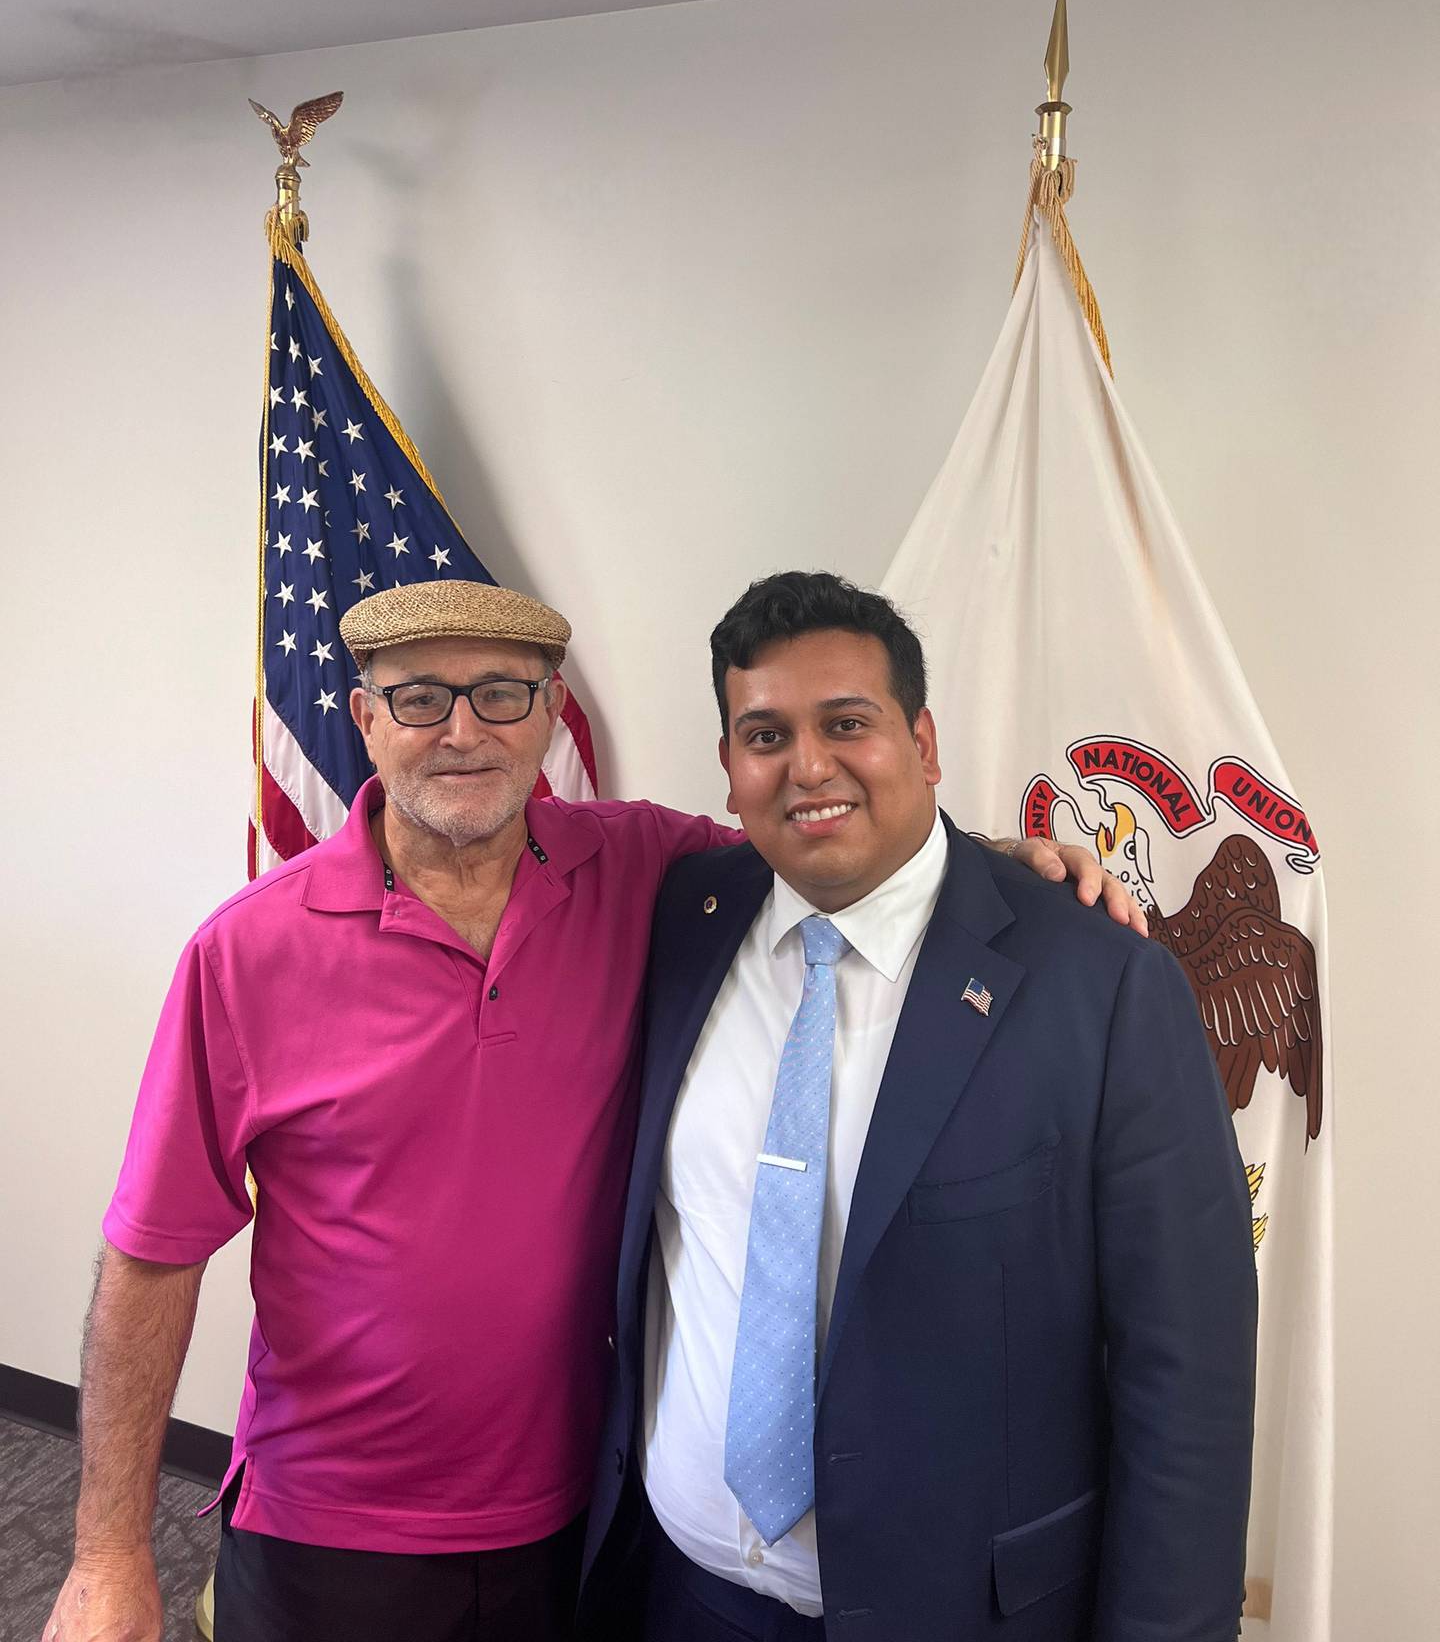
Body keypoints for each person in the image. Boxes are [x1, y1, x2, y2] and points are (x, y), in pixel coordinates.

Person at [42, 579, 1141, 1642]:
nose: (462, 730)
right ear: (367, 721)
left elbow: (831, 845)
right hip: (334, 1532)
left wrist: (994, 862)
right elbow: (152, 1256)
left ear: (547, 716)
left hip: (584, 1520)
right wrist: (106, 1554)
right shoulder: (246, 954)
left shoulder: (644, 868)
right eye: (421, 696)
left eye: (502, 694)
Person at [578, 571, 1258, 1642]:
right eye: (765, 734)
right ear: (728, 768)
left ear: (924, 743)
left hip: (962, 1613)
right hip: (686, 1596)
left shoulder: (1101, 985)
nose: (808, 766)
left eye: (847, 723)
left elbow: (1189, 1378)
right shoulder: (682, 926)